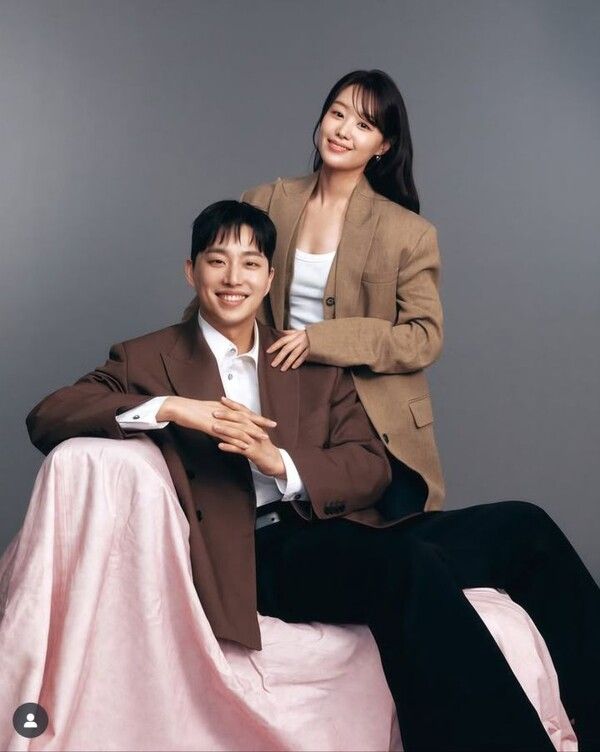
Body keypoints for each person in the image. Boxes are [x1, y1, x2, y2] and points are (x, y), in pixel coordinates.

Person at [27, 201, 600, 751]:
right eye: (217, 261)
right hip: (255, 554)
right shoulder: (148, 357)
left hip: (337, 526)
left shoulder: (305, 362)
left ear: (269, 277)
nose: (233, 278)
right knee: (406, 565)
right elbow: (50, 414)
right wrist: (174, 408)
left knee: (524, 528)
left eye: (250, 263)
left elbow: (370, 466)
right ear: (191, 271)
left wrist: (279, 462)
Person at [182, 69, 444, 520]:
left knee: (388, 541)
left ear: (383, 145)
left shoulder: (408, 233)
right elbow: (224, 291)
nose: (343, 131)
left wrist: (319, 340)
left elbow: (424, 337)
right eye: (337, 114)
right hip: (281, 397)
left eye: (363, 124)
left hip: (373, 417)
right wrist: (178, 364)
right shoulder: (265, 201)